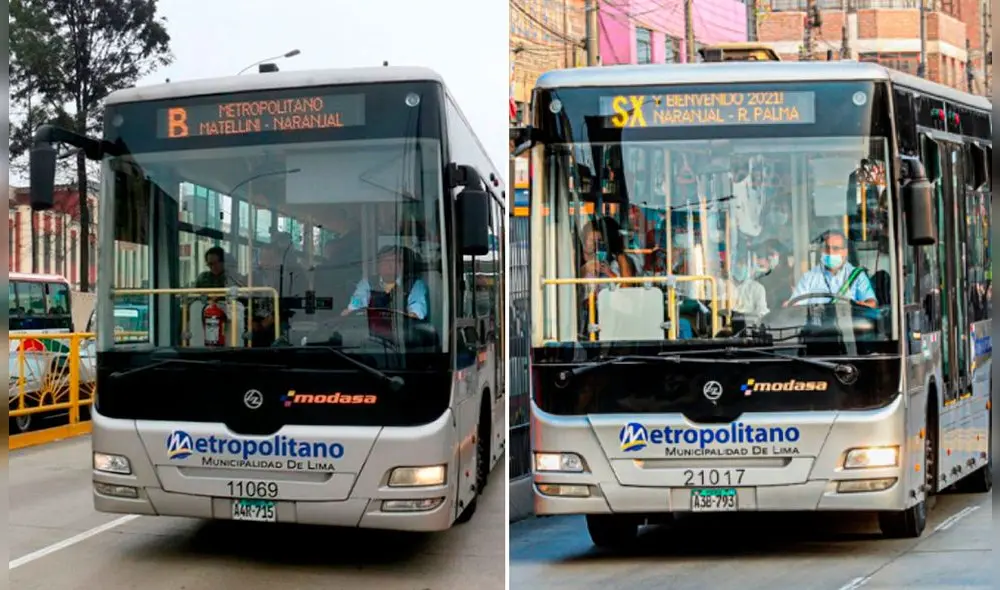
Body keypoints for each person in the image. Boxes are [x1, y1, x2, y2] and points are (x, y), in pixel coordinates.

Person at [788, 229, 877, 308]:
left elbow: (871, 303)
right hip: (816, 326)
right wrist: (789, 305)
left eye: (835, 248)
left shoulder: (857, 275)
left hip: (849, 324)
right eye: (827, 248)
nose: (830, 252)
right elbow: (795, 304)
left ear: (845, 252)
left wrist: (864, 305)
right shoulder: (809, 277)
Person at [342, 245, 428, 319]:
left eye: (395, 261)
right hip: (370, 333)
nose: (390, 265)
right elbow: (355, 305)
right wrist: (349, 311)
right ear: (378, 265)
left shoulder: (415, 285)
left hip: (401, 333)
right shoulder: (367, 283)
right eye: (385, 261)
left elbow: (417, 313)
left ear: (402, 265)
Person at [731, 254, 769, 319]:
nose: (740, 267)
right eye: (738, 265)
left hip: (749, 324)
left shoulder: (758, 288)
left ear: (749, 269)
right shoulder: (726, 286)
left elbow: (762, 310)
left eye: (743, 265)